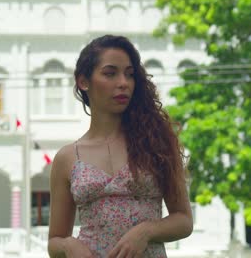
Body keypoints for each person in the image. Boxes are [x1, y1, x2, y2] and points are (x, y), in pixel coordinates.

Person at [47, 35, 193, 258]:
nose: (123, 82)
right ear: (83, 81)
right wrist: (69, 246)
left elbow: (183, 219)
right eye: (110, 73)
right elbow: (54, 241)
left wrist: (146, 231)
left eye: (129, 74)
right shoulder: (67, 158)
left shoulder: (157, 144)